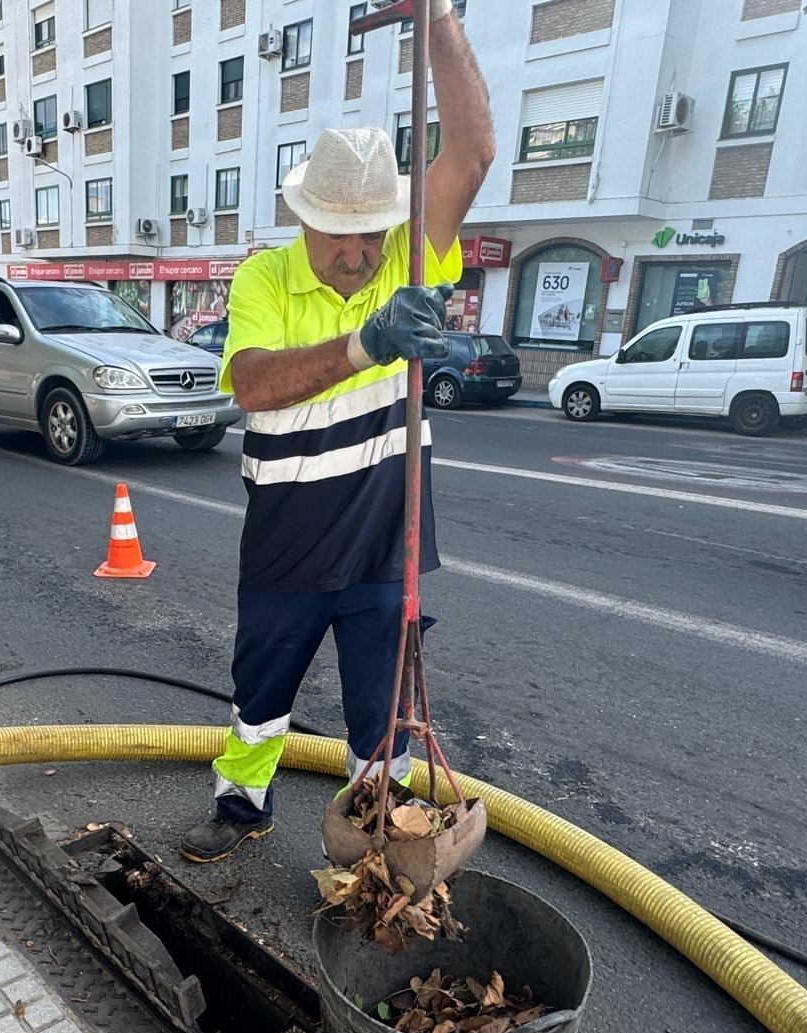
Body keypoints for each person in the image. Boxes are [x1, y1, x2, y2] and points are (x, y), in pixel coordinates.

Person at [178, 0, 495, 864]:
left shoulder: (409, 256)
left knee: (379, 712)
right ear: (303, 219)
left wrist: (440, 19)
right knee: (260, 691)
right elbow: (253, 384)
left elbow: (471, 154)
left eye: (369, 236)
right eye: (339, 237)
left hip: (383, 548)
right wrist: (366, 343)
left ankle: (378, 833)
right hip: (286, 542)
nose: (357, 255)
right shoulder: (263, 280)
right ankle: (242, 804)